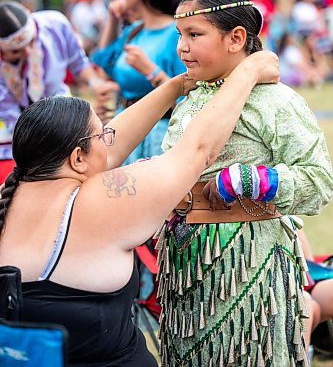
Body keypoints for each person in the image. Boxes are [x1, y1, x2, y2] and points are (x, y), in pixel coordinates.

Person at [0, 51, 279, 366]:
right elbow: (197, 151)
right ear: (78, 158)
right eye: (100, 134)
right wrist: (248, 72)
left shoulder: (14, 194)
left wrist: (176, 86)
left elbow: (112, 147)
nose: (108, 140)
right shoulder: (95, 203)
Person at [157, 0, 333, 366]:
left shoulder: (276, 100)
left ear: (236, 38)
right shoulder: (195, 97)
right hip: (185, 263)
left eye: (194, 35)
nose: (181, 48)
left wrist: (257, 180)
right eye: (179, 36)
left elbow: (319, 179)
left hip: (250, 261)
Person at [0, 1, 118, 184]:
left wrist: (95, 84)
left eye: (30, 41)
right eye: (16, 51)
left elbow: (79, 63)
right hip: (17, 133)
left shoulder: (55, 25)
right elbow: (14, 122)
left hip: (61, 110)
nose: (28, 50)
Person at [91, 0, 188, 163]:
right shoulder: (135, 31)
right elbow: (105, 63)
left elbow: (189, 99)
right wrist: (113, 19)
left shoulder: (177, 33)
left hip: (157, 137)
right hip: (124, 133)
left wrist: (152, 72)